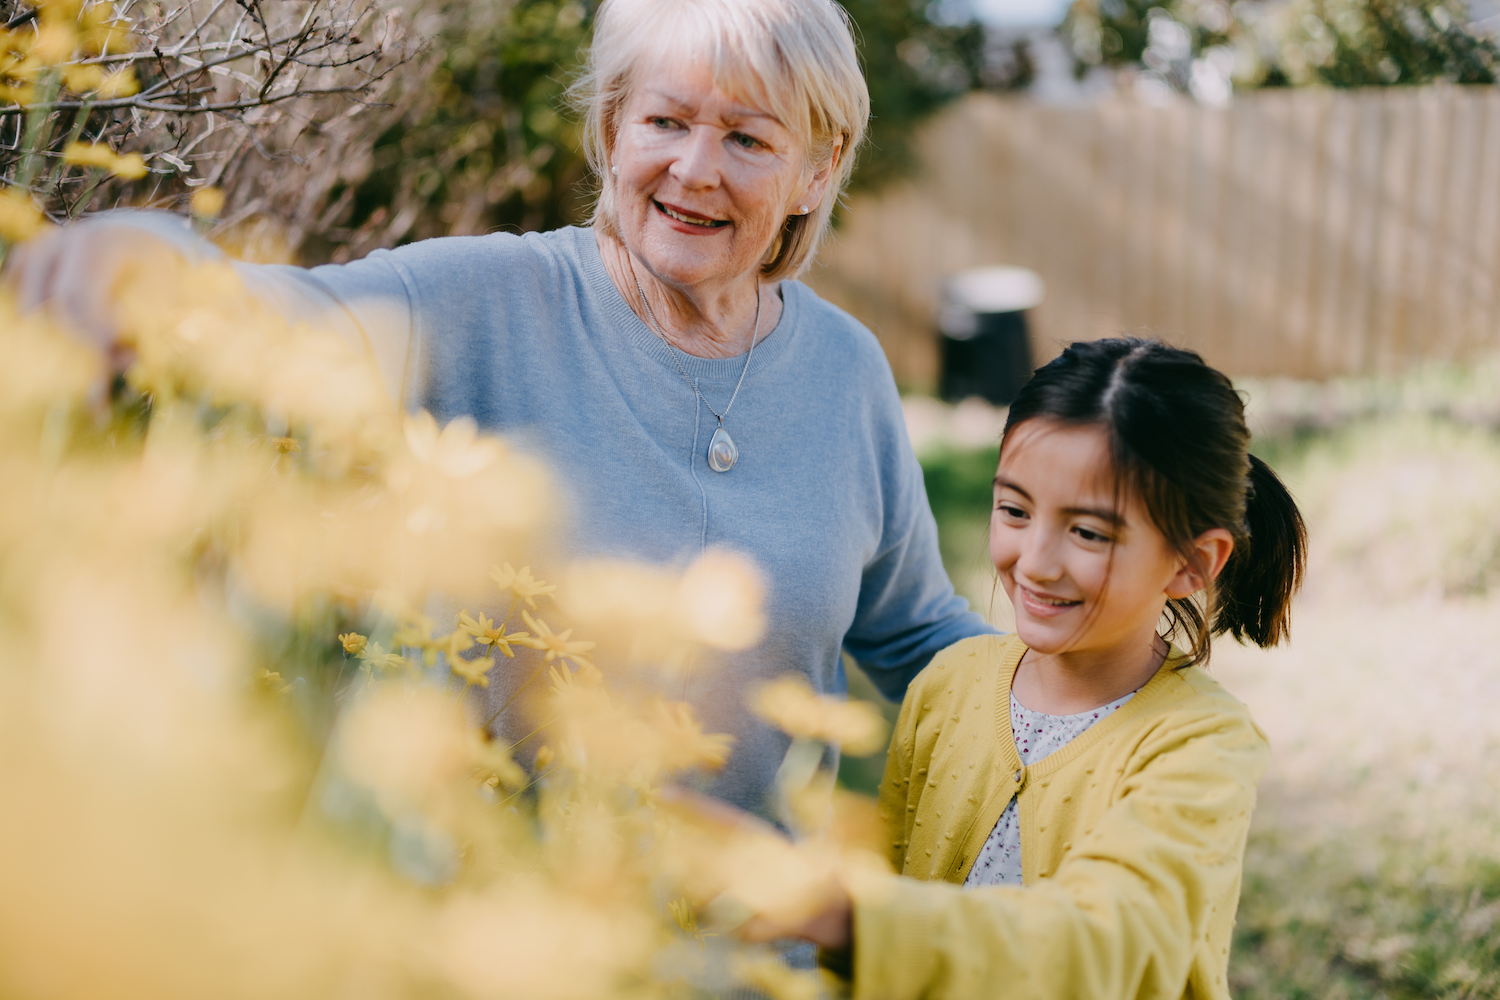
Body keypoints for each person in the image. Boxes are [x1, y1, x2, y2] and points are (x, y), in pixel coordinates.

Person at [3, 0, 992, 818]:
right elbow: (287, 315)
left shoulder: (845, 370)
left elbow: (916, 634)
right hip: (499, 939)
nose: (695, 168)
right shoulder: (485, 301)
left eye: (746, 137)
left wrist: (1103, 700)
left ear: (817, 169)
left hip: (754, 953)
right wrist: (132, 247)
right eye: (664, 122)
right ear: (611, 129)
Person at [743, 338, 1307, 999]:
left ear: (1191, 563)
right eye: (1014, 509)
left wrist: (844, 913)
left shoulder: (1202, 748)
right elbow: (888, 906)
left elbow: (1102, 940)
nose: (1035, 561)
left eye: (1089, 532)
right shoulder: (947, 685)